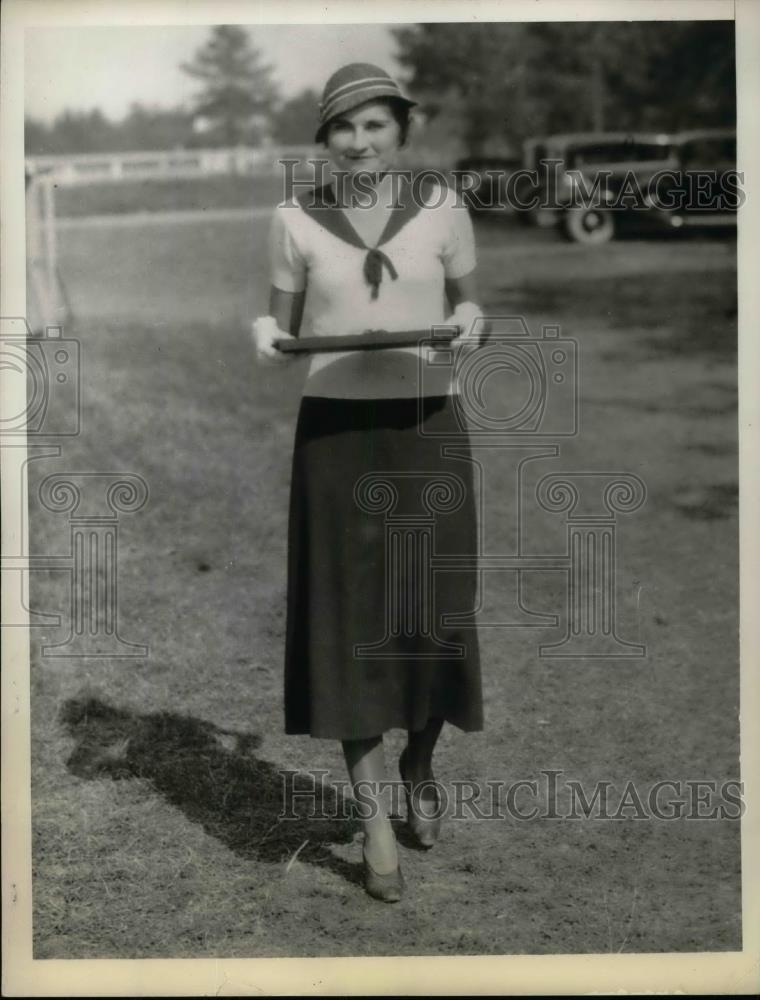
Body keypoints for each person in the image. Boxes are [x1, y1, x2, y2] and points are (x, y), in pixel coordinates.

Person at [253, 63, 486, 903]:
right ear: (325, 140)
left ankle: (420, 757)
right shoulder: (293, 218)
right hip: (337, 441)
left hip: (429, 432)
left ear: (400, 132)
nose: (359, 142)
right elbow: (277, 324)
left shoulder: (442, 207)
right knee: (346, 622)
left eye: (375, 126)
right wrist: (265, 337)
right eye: (343, 129)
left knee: (431, 611)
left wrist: (469, 326)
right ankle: (376, 818)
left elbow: (468, 308)